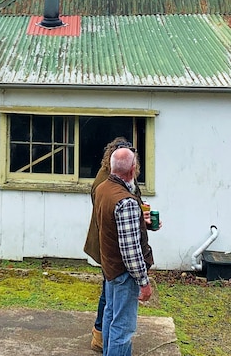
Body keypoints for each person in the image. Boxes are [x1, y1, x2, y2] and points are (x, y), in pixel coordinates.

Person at [93, 146, 153, 356]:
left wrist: (141, 222)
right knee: (123, 328)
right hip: (123, 273)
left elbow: (111, 228)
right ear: (133, 169)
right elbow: (131, 252)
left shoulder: (102, 188)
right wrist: (144, 282)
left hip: (110, 267)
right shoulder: (126, 201)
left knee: (110, 317)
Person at [84, 137, 141, 352]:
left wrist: (138, 217)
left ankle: (102, 338)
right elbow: (111, 213)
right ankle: (99, 335)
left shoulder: (116, 181)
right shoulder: (106, 181)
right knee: (113, 305)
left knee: (110, 301)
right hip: (111, 248)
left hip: (110, 246)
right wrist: (143, 280)